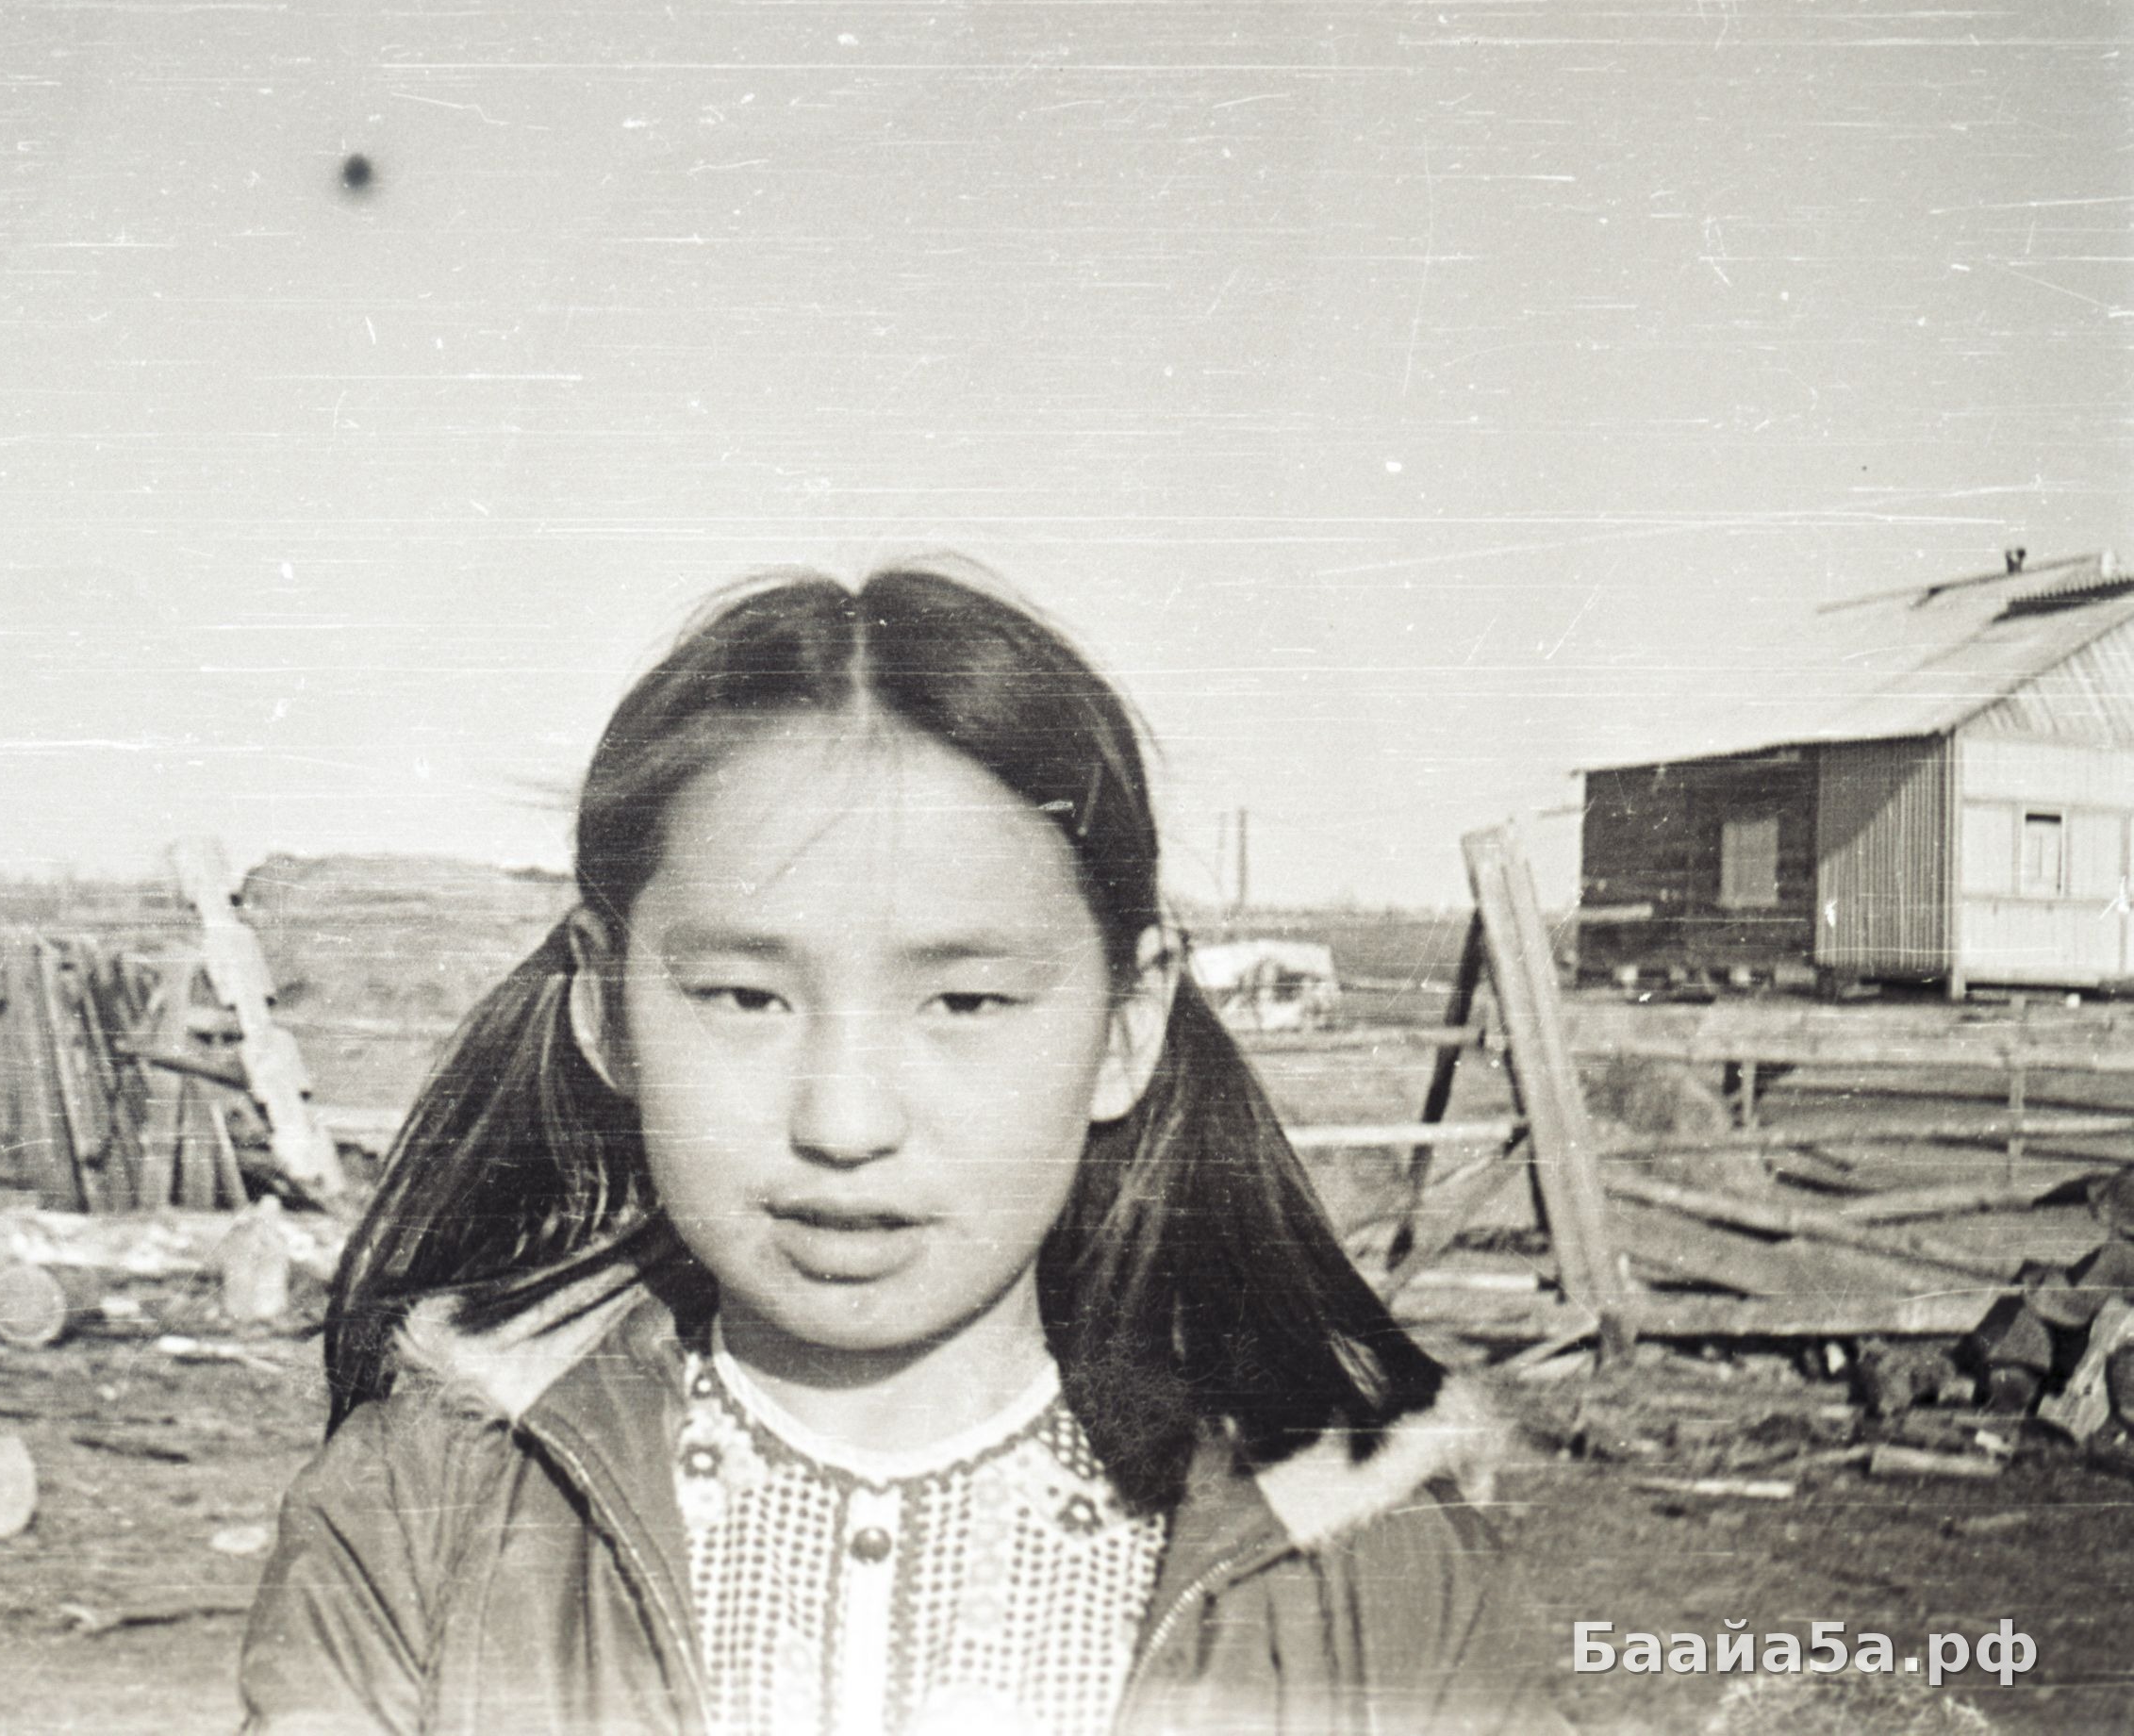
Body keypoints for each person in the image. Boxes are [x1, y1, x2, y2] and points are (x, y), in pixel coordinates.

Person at [240, 567, 1556, 1736]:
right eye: (745, 997)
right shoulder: (419, 1517)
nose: (845, 1124)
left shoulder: (1378, 1567)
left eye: (966, 1003)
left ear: (1127, 1024)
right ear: (609, 1009)